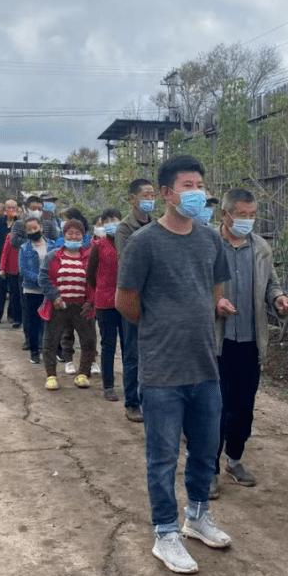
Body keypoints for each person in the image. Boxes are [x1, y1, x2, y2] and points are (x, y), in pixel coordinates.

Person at [117, 155, 233, 574]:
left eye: (200, 183)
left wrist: (211, 306)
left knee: (204, 451)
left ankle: (197, 517)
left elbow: (213, 287)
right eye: (188, 185)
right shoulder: (143, 243)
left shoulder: (209, 240)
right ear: (166, 193)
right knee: (162, 457)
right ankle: (165, 532)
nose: (197, 191)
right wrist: (162, 324)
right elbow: (126, 302)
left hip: (205, 366)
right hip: (163, 370)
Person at [211, 188, 288, 499]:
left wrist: (280, 299)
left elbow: (272, 284)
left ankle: (234, 460)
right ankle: (208, 469)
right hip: (216, 342)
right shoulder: (208, 244)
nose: (247, 221)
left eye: (252, 215)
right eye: (241, 215)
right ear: (225, 215)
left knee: (243, 408)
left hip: (250, 341)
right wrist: (214, 303)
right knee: (214, 409)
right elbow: (195, 286)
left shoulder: (260, 248)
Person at [114, 178, 157, 423]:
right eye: (145, 195)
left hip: (156, 298)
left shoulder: (160, 225)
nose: (149, 199)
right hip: (133, 297)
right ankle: (132, 402)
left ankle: (150, 398)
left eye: (152, 195)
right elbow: (128, 262)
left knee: (154, 352)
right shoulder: (124, 229)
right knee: (132, 352)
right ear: (132, 199)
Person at [39, 219, 97, 390]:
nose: (73, 236)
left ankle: (82, 374)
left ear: (83, 236)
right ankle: (51, 376)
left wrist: (90, 301)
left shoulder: (89, 256)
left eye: (77, 234)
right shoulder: (53, 256)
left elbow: (94, 281)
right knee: (50, 341)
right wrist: (54, 297)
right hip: (58, 306)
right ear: (64, 235)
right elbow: (43, 279)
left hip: (82, 308)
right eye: (70, 233)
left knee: (89, 341)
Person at [87, 209, 125, 401]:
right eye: (107, 221)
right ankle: (108, 385)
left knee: (129, 346)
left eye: (114, 220)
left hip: (127, 301)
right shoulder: (98, 246)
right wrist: (102, 288)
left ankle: (131, 385)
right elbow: (90, 274)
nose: (111, 223)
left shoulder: (128, 242)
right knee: (108, 344)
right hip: (105, 302)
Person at [19, 216, 55, 364]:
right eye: (29, 229)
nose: (33, 231)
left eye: (35, 227)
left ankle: (55, 350)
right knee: (33, 322)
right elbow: (23, 270)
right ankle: (34, 352)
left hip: (51, 290)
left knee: (53, 322)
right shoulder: (24, 248)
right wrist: (40, 279)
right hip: (32, 290)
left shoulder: (52, 245)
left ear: (41, 227)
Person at [0, 199, 20, 325]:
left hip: (14, 259)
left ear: (17, 209)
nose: (11, 210)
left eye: (13, 207)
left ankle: (13, 316)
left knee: (15, 288)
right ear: (5, 209)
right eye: (9, 207)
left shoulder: (20, 224)